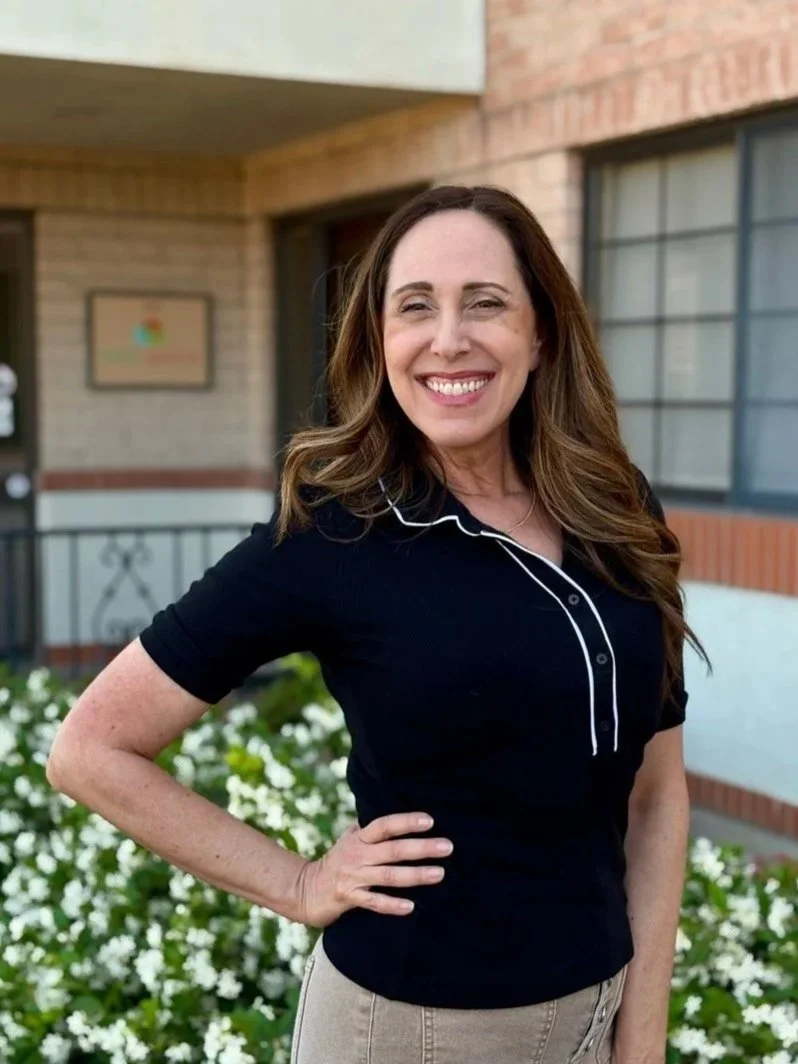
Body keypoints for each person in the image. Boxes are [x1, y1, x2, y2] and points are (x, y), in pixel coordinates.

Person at [47, 185, 708, 1064]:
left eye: (486, 304)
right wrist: (298, 882)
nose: (448, 340)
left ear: (541, 333)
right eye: (415, 308)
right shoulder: (336, 527)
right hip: (408, 1031)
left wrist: (642, 1040)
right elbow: (90, 749)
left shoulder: (616, 507)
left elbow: (657, 793)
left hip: (595, 1015)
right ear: (379, 341)